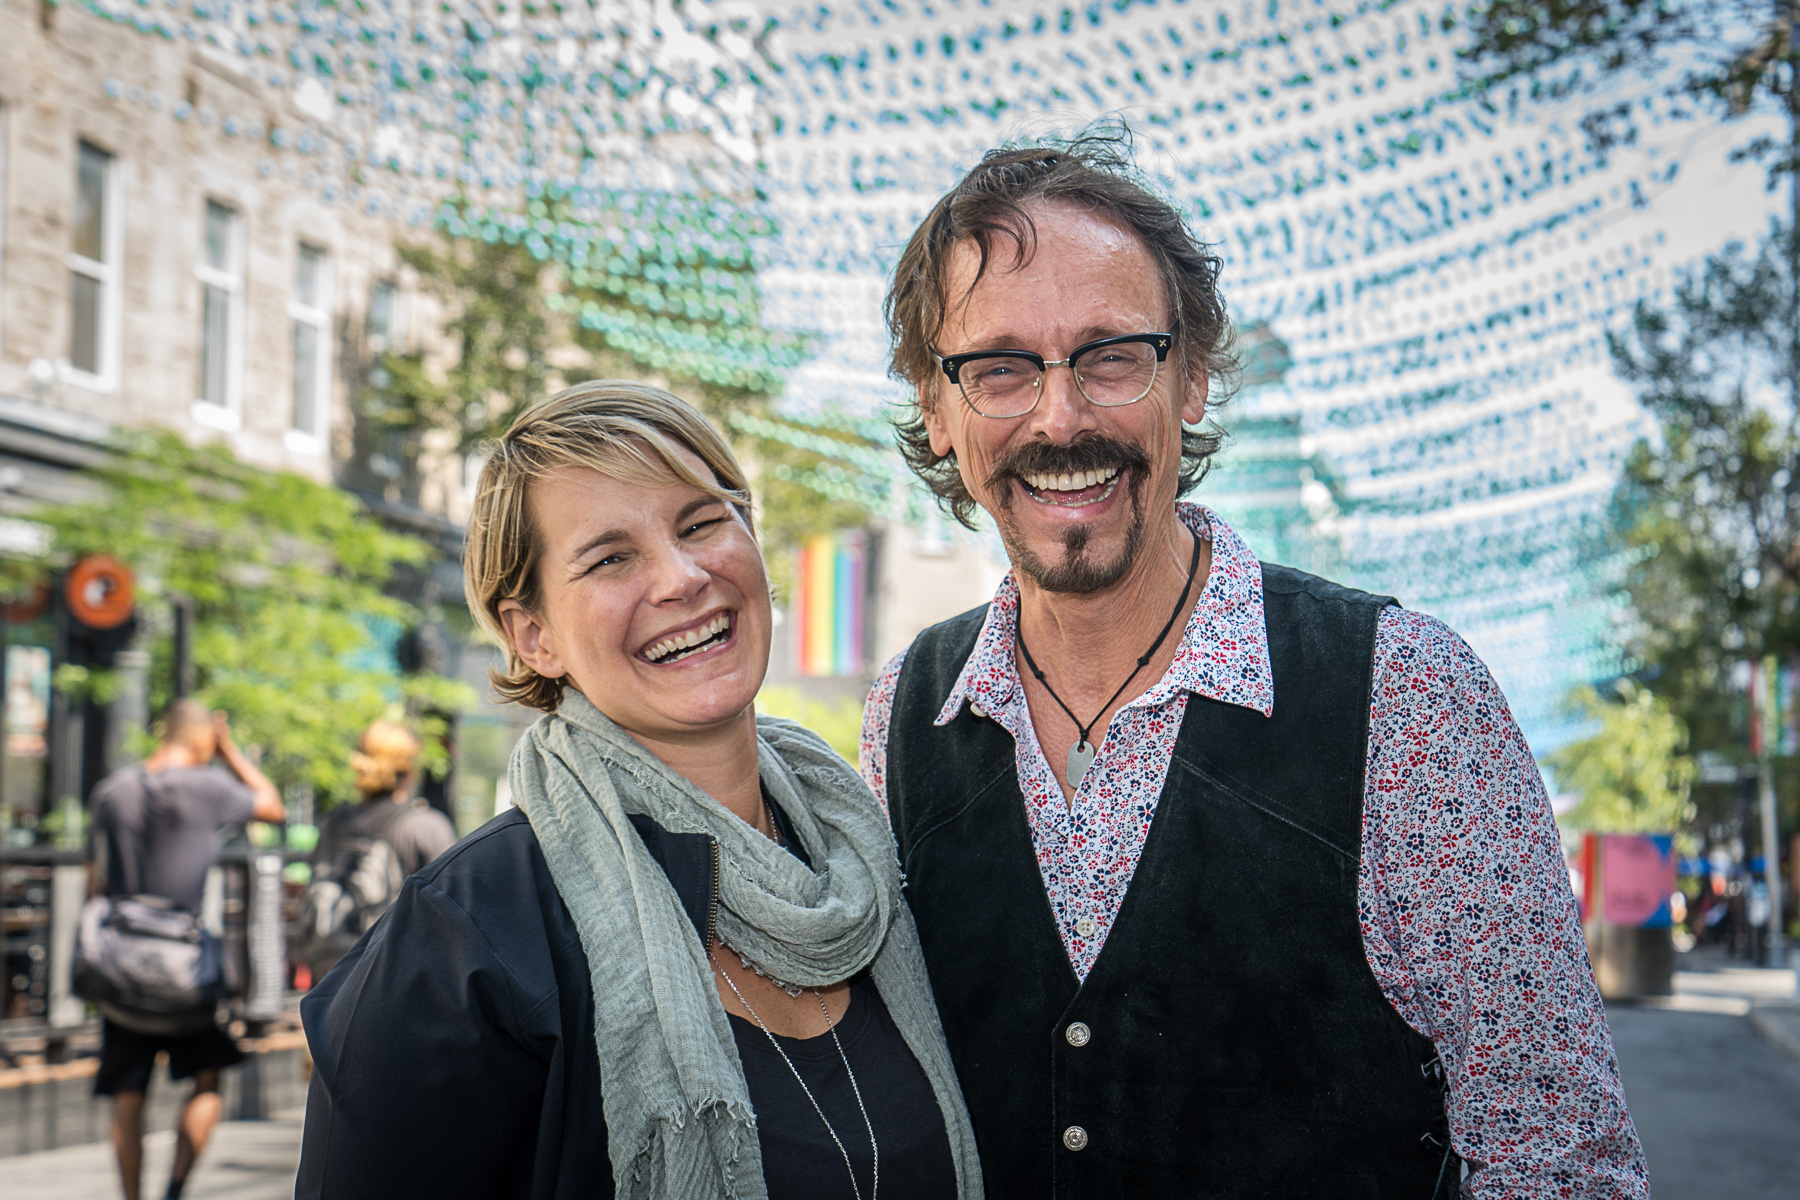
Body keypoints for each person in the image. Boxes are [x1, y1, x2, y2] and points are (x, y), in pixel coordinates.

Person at [862, 130, 1651, 1197]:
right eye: (999, 369)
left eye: (1111, 355)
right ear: (937, 409)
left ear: (1189, 379)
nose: (1060, 416)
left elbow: (1558, 1159)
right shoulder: (903, 718)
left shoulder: (1408, 695)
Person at [296, 381, 981, 1199]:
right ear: (534, 635)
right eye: (611, 558)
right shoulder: (464, 939)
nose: (682, 578)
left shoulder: (871, 863)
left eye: (701, 524)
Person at [86, 700, 285, 1200]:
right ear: (202, 741)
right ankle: (174, 1191)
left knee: (127, 1091)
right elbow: (272, 806)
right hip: (184, 967)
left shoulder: (113, 791)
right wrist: (231, 753)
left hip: (122, 963)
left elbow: (95, 880)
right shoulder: (208, 787)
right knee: (208, 1076)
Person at [301, 720, 455, 978]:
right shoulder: (426, 827)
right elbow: (453, 913)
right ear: (410, 767)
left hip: (329, 971)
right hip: (390, 975)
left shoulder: (332, 823)